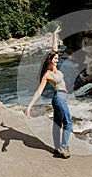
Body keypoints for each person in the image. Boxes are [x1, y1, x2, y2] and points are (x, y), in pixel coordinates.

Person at [25, 26, 72, 159]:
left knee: (58, 123)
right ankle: (63, 147)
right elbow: (39, 91)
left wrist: (54, 35)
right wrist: (29, 107)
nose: (57, 60)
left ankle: (57, 148)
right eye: (55, 59)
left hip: (60, 98)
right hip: (59, 98)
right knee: (68, 123)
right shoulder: (47, 74)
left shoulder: (55, 66)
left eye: (57, 59)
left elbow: (54, 49)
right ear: (50, 60)